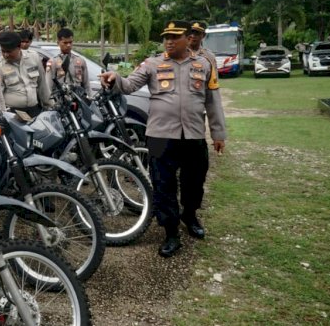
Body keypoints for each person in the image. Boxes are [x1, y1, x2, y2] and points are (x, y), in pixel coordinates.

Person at [100, 20, 226, 258]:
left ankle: (190, 216)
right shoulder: (152, 64)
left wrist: (218, 134)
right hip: (160, 136)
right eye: (166, 37)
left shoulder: (204, 64)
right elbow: (127, 85)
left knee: (194, 182)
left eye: (174, 37)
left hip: (193, 135)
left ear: (188, 38)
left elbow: (212, 101)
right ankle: (171, 233)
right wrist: (114, 77)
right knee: (163, 185)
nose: (168, 41)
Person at [0, 31, 51, 118]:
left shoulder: (33, 57)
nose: (6, 55)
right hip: (14, 114)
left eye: (9, 51)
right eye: (3, 51)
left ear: (19, 47)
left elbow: (42, 84)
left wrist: (49, 105)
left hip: (34, 110)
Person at [50, 28, 90, 92]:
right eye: (65, 43)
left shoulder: (80, 61)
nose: (68, 45)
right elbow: (48, 87)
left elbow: (86, 85)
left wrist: (88, 100)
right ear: (58, 43)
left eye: (70, 42)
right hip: (61, 99)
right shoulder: (53, 62)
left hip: (78, 98)